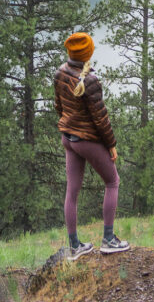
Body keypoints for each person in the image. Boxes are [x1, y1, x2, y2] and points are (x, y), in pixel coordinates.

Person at [54, 32, 130, 259]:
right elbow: (101, 118)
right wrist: (111, 144)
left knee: (72, 191)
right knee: (112, 181)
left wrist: (69, 126)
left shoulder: (60, 72)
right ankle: (108, 239)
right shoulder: (90, 80)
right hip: (87, 140)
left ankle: (75, 246)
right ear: (89, 53)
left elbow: (59, 106)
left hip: (68, 138)